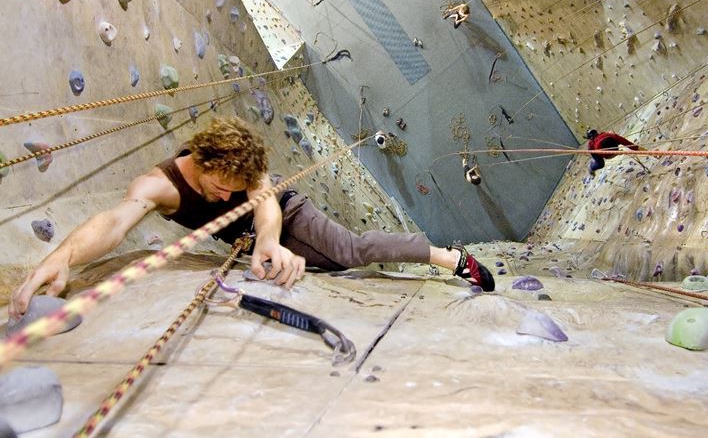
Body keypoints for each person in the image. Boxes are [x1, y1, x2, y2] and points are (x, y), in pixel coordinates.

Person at [9, 117, 495, 320]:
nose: (226, 195)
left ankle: (447, 256)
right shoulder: (158, 186)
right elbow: (114, 223)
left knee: (350, 251)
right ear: (198, 158)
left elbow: (264, 200)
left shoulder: (248, 176)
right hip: (259, 238)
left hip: (288, 215)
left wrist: (268, 240)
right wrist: (64, 255)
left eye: (234, 188)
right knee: (333, 270)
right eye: (220, 185)